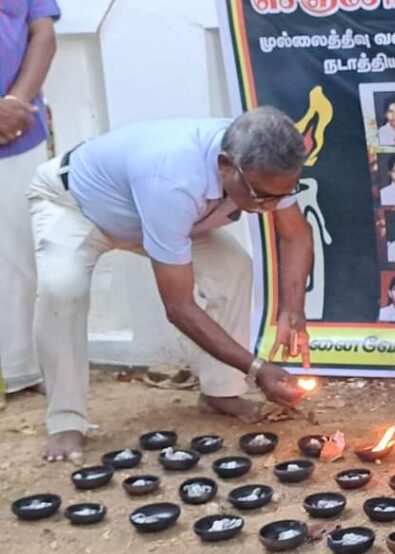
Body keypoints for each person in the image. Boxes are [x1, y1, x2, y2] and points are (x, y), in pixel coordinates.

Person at [30, 108, 312, 461]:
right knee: (63, 290)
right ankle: (66, 420)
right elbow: (179, 307)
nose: (271, 206)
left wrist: (292, 311)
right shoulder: (172, 180)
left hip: (162, 218)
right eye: (262, 196)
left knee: (233, 268)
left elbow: (296, 235)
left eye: (282, 194)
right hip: (78, 207)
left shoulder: (267, 163)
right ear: (226, 165)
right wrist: (257, 368)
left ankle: (220, 391)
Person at [1, 0, 59, 398]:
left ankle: (20, 367)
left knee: (23, 254)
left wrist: (14, 103)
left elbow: (43, 33)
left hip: (19, 130)